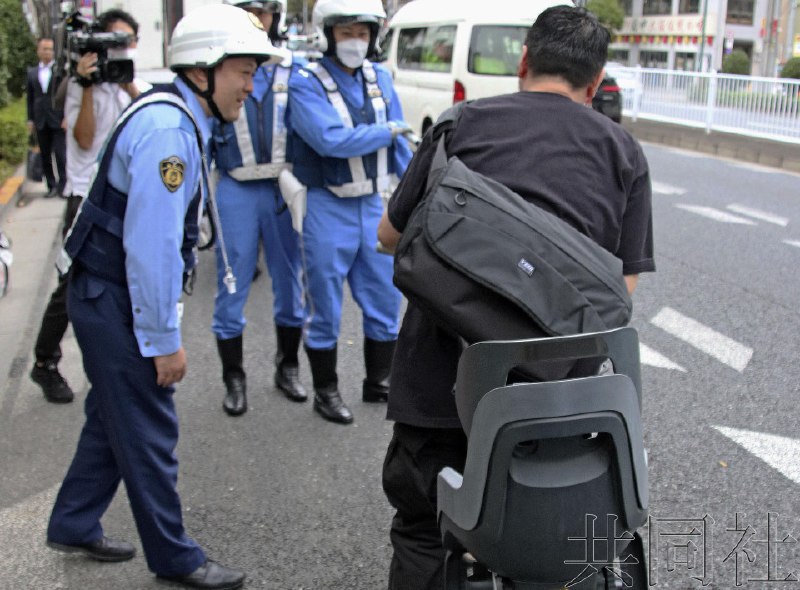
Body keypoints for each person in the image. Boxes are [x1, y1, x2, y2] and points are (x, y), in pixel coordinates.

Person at [376, 6, 655, 589]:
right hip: (559, 397)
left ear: (523, 61)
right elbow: (618, 292)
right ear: (597, 81)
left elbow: (391, 237)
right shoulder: (623, 152)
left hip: (439, 387)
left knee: (423, 527)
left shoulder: (460, 124)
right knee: (557, 534)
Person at [45, 5, 283, 589]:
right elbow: (149, 249)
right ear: (203, 70)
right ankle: (176, 558)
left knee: (111, 417)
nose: (251, 88)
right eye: (244, 73)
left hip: (102, 290)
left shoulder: (175, 113)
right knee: (150, 427)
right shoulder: (170, 131)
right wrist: (162, 343)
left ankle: (73, 522)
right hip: (113, 297)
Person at [287, 0, 414, 425]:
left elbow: (399, 144)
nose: (356, 42)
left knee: (384, 296)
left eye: (363, 33)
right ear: (328, 35)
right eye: (346, 33)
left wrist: (417, 190)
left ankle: (379, 381)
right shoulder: (305, 81)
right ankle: (326, 391)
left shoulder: (380, 77)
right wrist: (386, 130)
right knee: (325, 303)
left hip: (375, 203)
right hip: (328, 204)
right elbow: (330, 141)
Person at [29, 9, 149, 404]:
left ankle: (123, 361)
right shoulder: (80, 86)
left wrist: (127, 86)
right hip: (85, 197)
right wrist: (85, 86)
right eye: (112, 41)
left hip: (125, 197)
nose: (120, 48)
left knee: (126, 282)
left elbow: (147, 125)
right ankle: (45, 361)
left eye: (126, 41)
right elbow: (82, 141)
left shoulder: (133, 84)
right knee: (71, 285)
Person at [212, 0, 306, 417]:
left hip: (282, 188)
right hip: (236, 186)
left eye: (262, 9)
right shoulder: (217, 65)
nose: (255, 17)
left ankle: (287, 366)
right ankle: (234, 377)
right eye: (246, 8)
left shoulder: (292, 65)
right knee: (232, 283)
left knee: (290, 280)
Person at [26, 37, 67, 199]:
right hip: (40, 118)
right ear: (38, 51)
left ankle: (64, 185)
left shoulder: (60, 70)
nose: (47, 52)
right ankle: (51, 185)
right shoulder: (32, 72)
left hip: (57, 118)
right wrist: (30, 119)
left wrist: (66, 117)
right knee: (45, 155)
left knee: (60, 154)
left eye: (50, 49)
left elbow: (66, 96)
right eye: (44, 49)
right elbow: (30, 97)